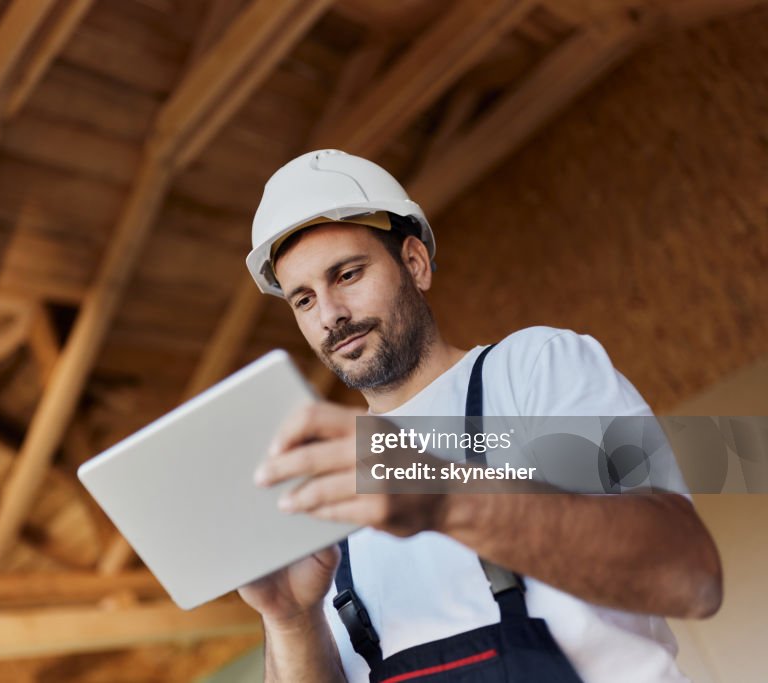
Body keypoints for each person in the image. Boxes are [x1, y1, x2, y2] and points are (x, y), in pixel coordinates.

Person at [237, 150, 722, 682]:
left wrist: (443, 495)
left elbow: (691, 577)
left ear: (415, 264)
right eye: (304, 301)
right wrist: (289, 619)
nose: (331, 314)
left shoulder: (535, 368)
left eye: (348, 274)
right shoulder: (325, 474)